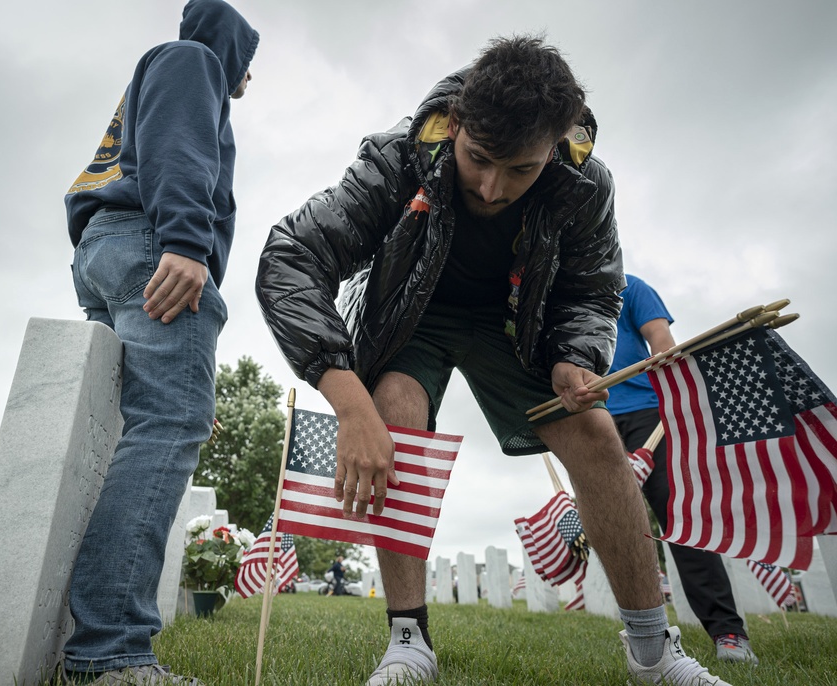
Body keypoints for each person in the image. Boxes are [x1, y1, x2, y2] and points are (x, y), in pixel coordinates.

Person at [257, 36, 730, 685]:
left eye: (520, 170)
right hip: (415, 310)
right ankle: (407, 640)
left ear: (557, 146)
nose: (491, 186)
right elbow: (291, 257)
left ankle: (652, 649)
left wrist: (573, 358)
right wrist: (349, 402)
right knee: (393, 408)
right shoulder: (397, 157)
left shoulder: (586, 184)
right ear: (455, 124)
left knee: (593, 434)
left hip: (517, 320)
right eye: (478, 159)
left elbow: (593, 286)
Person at [62, 1, 257, 684]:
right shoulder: (193, 61)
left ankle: (61, 630)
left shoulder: (153, 69)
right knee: (169, 422)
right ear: (230, 47)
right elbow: (181, 147)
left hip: (105, 245)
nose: (248, 81)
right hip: (154, 241)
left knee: (124, 431)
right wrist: (184, 240)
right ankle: (109, 648)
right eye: (249, 63)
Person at [608, 274, 759, 665]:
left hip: (646, 415)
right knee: (615, 525)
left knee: (680, 520)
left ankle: (728, 632)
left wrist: (671, 391)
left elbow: (660, 338)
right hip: (590, 420)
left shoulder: (629, 286)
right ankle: (645, 637)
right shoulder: (555, 292)